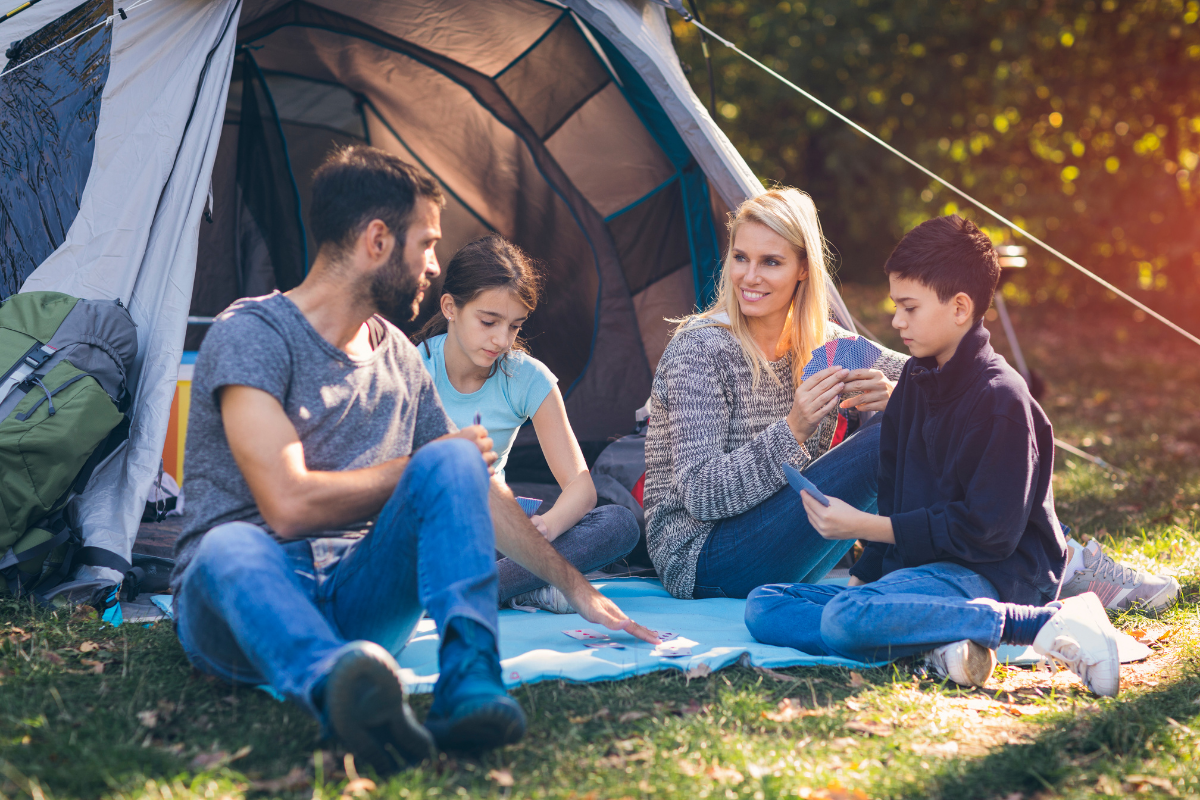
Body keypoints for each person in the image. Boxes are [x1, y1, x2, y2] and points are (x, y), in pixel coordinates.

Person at [171, 146, 657, 775]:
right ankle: (335, 683)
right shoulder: (254, 335)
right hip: (244, 605)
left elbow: (474, 487)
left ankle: (470, 682)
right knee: (227, 547)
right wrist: (416, 471)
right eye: (426, 243)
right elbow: (287, 506)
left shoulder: (400, 356)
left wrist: (576, 587)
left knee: (459, 462)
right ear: (377, 239)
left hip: (361, 595)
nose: (434, 265)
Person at [744, 215, 1122, 697]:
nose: (897, 322)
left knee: (842, 621)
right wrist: (864, 581)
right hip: (920, 575)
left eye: (909, 308)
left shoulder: (1001, 400)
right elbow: (896, 498)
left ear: (960, 307)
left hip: (994, 577)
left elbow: (987, 535)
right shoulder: (913, 388)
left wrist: (860, 530)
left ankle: (1040, 625)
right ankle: (934, 643)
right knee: (765, 605)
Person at [643, 188, 909, 601]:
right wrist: (794, 429)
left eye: (771, 262)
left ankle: (968, 557)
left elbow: (939, 379)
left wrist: (897, 395)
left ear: (803, 269)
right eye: (741, 258)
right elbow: (700, 496)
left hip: (788, 546)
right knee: (893, 435)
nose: (750, 277)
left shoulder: (826, 344)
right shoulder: (700, 349)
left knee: (912, 410)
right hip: (702, 557)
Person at [413, 235, 639, 613]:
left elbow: (581, 487)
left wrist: (546, 528)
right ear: (450, 307)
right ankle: (522, 584)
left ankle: (500, 584)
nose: (502, 339)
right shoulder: (413, 369)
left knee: (619, 523)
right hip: (428, 531)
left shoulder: (526, 378)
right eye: (488, 321)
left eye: (515, 326)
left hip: (498, 534)